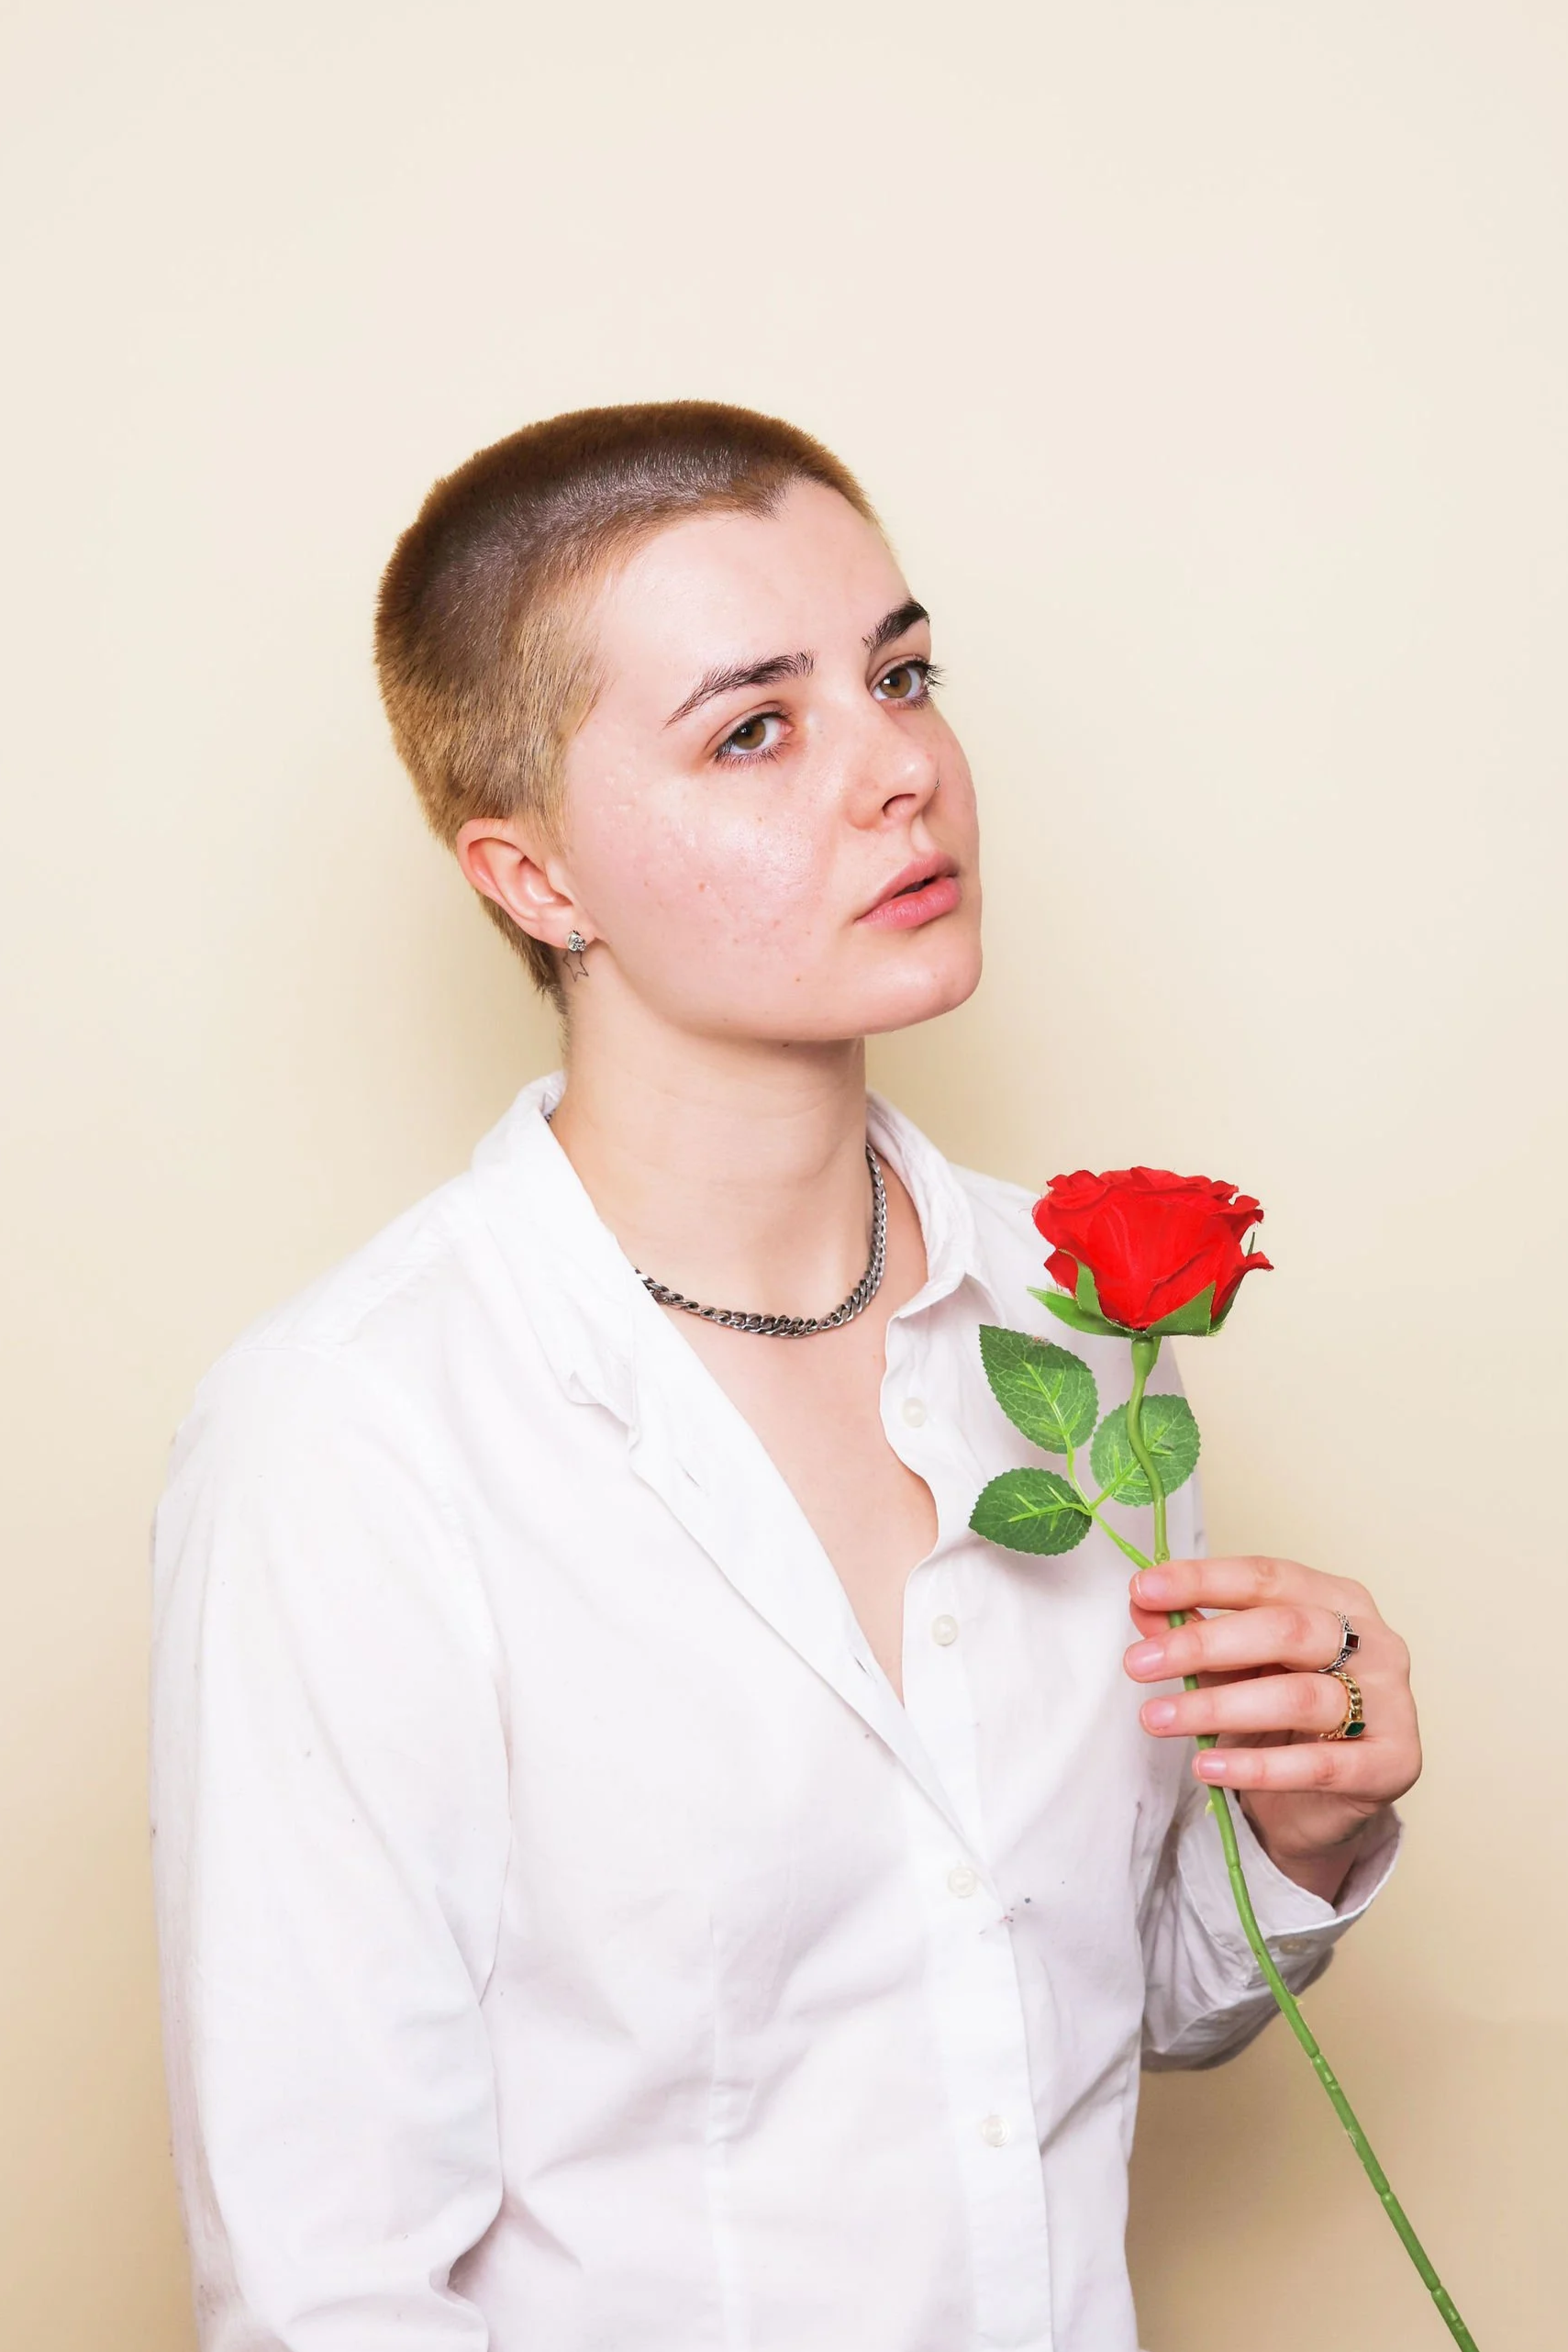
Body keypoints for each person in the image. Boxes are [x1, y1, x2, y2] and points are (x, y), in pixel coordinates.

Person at [150, 403, 1419, 2352]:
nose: (896, 768)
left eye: (898, 674)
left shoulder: (1074, 1324)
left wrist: (1293, 1834)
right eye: (755, 727)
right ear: (533, 876)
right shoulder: (356, 1439)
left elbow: (1059, 2029)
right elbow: (333, 2290)